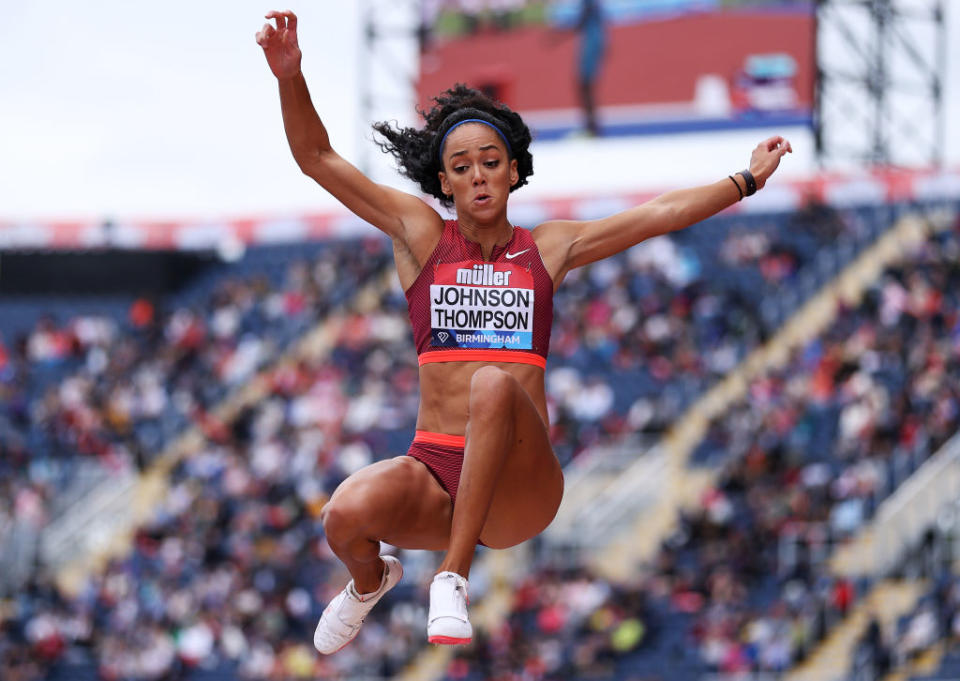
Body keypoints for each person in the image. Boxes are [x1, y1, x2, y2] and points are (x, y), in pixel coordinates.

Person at [255, 9, 791, 654]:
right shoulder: (421, 237)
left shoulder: (549, 249)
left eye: (491, 161)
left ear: (513, 171)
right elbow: (317, 158)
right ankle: (370, 584)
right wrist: (291, 76)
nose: (478, 174)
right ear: (444, 181)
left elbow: (657, 215)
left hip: (520, 481)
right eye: (462, 166)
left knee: (492, 384)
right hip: (434, 466)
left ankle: (453, 576)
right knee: (341, 515)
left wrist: (747, 179)